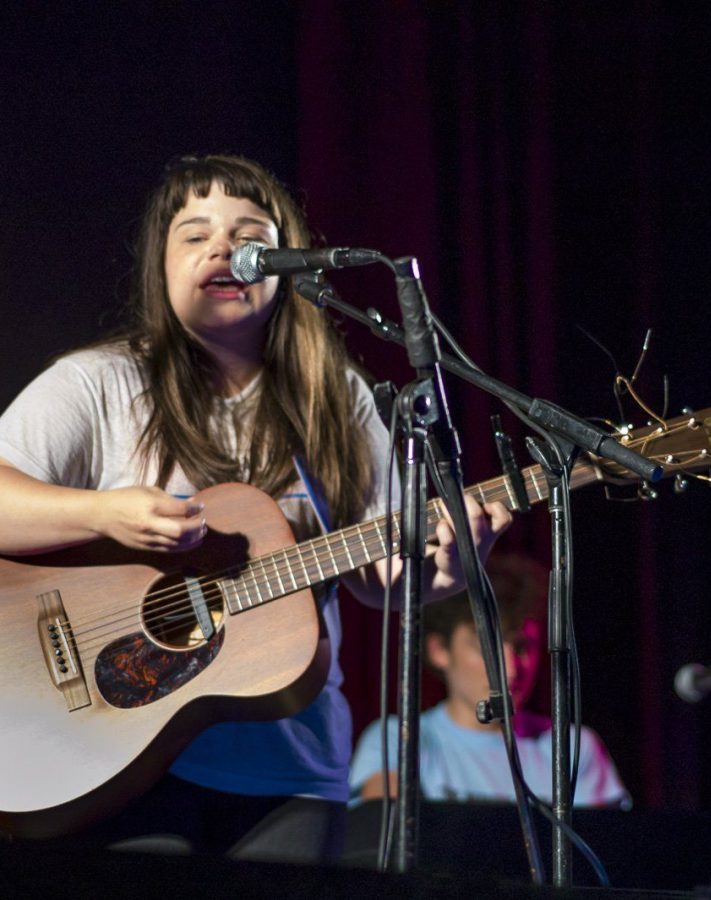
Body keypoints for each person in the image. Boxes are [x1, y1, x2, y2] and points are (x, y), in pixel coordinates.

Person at [0, 154, 510, 861]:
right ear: (161, 263)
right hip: (113, 753)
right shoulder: (100, 384)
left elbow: (381, 575)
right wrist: (104, 514)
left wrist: (447, 569)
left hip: (290, 768)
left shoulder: (335, 397)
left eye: (248, 235)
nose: (222, 249)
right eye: (195, 233)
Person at [349, 553, 629, 808]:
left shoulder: (571, 747)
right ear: (439, 650)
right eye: (488, 647)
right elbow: (378, 844)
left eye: (521, 647)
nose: (510, 668)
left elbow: (606, 851)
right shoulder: (402, 739)